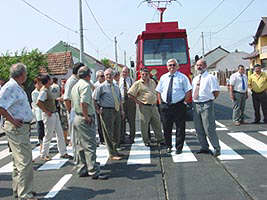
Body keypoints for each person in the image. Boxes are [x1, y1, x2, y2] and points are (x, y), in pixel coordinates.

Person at [0, 63, 38, 200]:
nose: (26, 77)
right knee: (24, 161)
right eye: (26, 74)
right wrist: (11, 119)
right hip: (17, 128)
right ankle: (25, 193)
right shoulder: (10, 87)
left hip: (21, 127)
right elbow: (0, 105)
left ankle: (19, 189)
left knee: (18, 161)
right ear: (21, 75)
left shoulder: (15, 86)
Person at [71, 66, 108, 179]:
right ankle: (94, 170)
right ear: (88, 75)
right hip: (84, 117)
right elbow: (84, 102)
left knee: (80, 145)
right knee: (90, 145)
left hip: (77, 117)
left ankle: (82, 168)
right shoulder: (85, 86)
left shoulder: (76, 85)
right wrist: (87, 116)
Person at [156, 59, 192, 154]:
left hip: (179, 106)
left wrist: (184, 103)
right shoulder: (163, 77)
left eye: (173, 65)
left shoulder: (183, 77)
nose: (171, 67)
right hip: (165, 106)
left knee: (180, 128)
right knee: (166, 127)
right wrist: (160, 104)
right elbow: (159, 91)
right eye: (170, 65)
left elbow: (188, 91)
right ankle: (168, 146)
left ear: (177, 66)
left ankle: (179, 148)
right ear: (167, 67)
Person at [37, 74, 72, 161]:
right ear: (48, 81)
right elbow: (39, 102)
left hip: (54, 113)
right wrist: (46, 111)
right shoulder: (44, 91)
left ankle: (63, 152)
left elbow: (49, 100)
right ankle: (44, 154)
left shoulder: (48, 89)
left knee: (60, 133)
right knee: (48, 135)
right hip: (49, 115)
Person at [128, 67, 165, 147]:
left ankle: (160, 139)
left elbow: (157, 91)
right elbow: (130, 94)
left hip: (154, 106)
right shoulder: (137, 83)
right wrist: (137, 101)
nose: (144, 76)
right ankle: (146, 141)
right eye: (142, 74)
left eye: (146, 74)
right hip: (144, 107)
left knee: (157, 123)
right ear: (140, 75)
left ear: (149, 74)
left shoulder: (152, 82)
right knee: (144, 125)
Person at [93, 68, 124, 160]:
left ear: (113, 76)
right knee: (108, 132)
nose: (108, 76)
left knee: (116, 132)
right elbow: (94, 99)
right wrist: (98, 110)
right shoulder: (101, 87)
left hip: (116, 110)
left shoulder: (116, 86)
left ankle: (115, 150)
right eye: (106, 75)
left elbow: (119, 99)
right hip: (106, 111)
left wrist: (122, 110)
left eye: (110, 75)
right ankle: (111, 153)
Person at [192, 59, 221, 157]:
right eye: (197, 65)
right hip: (196, 104)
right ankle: (204, 147)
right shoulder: (195, 78)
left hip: (206, 104)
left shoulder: (210, 77)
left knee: (209, 128)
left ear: (205, 66)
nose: (199, 67)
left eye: (201, 65)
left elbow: (216, 92)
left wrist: (209, 100)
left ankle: (216, 148)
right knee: (198, 128)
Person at [64, 62, 84, 159]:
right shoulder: (71, 81)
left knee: (80, 137)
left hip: (78, 111)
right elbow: (67, 98)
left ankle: (80, 158)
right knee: (75, 136)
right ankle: (77, 158)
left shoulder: (78, 80)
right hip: (74, 112)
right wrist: (70, 111)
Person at [119, 67, 136, 144]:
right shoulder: (118, 80)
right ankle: (122, 138)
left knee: (131, 120)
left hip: (130, 102)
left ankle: (132, 138)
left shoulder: (132, 80)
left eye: (126, 72)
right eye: (123, 72)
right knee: (122, 121)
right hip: (121, 102)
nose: (124, 73)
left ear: (128, 73)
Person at [31, 76, 45, 152]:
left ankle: (44, 146)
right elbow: (37, 103)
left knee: (45, 130)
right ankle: (41, 145)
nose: (40, 85)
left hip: (45, 113)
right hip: (39, 113)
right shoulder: (34, 93)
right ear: (35, 84)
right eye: (38, 83)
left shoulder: (44, 91)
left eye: (41, 83)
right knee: (40, 130)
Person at [93, 70, 105, 144]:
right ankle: (102, 139)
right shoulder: (95, 86)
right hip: (98, 105)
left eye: (103, 76)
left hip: (105, 105)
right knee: (100, 123)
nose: (103, 77)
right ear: (97, 77)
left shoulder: (106, 84)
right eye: (102, 76)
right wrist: (97, 108)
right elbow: (94, 98)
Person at [57, 79, 69, 144]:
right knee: (64, 125)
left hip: (67, 109)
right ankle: (65, 139)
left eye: (64, 84)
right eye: (62, 84)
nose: (63, 85)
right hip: (62, 110)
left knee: (69, 125)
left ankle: (70, 140)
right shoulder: (60, 91)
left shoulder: (68, 90)